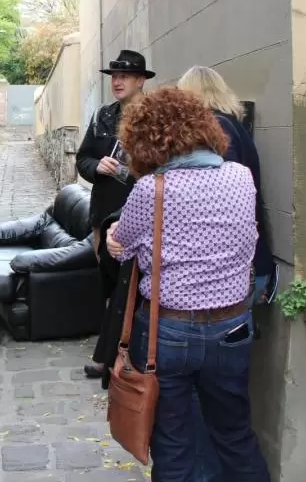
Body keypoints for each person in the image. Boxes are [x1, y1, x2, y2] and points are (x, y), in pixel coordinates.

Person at [107, 87, 270, 481]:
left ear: (144, 140)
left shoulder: (150, 190)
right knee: (235, 434)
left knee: (174, 443)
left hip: (168, 330)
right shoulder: (240, 177)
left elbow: (122, 247)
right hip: (232, 326)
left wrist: (115, 236)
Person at [76, 49, 152, 378]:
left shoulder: (153, 116)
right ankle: (112, 347)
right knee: (108, 281)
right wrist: (97, 166)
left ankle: (116, 353)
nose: (117, 82)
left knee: (133, 281)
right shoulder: (102, 116)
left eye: (124, 76)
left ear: (140, 80)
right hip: (104, 211)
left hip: (138, 209)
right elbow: (82, 161)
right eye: (113, 76)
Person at [177, 66, 276, 302]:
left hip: (233, 266)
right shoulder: (232, 124)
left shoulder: (218, 129)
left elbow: (219, 195)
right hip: (244, 259)